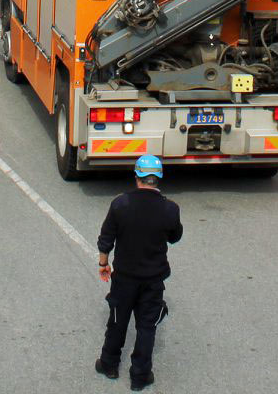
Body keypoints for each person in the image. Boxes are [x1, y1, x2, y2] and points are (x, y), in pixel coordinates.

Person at [95, 155, 182, 390]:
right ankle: (140, 376)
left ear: (137, 177)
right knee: (147, 326)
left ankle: (109, 364)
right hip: (153, 280)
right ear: (158, 179)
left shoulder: (120, 204)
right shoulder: (170, 209)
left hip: (124, 278)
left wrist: (104, 264)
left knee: (117, 320)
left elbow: (106, 240)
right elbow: (175, 236)